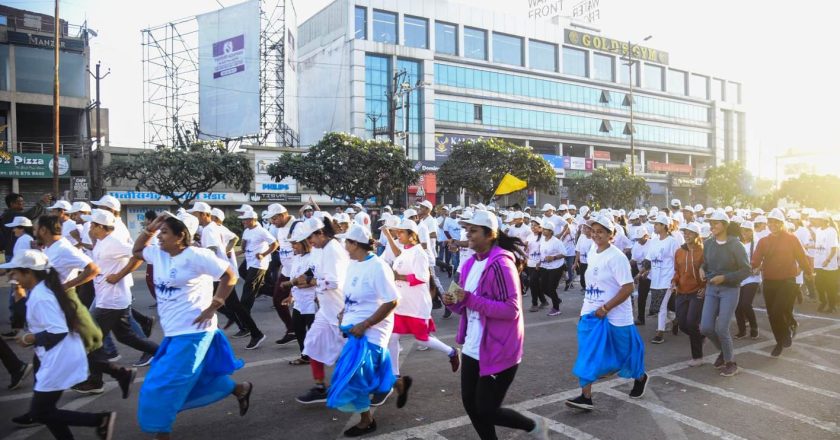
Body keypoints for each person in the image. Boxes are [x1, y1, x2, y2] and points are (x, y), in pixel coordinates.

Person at [133, 212, 252, 439]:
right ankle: (239, 389)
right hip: (173, 332)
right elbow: (136, 251)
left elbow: (229, 275)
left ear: (180, 236)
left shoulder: (197, 255)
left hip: (194, 332)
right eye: (159, 232)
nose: (159, 236)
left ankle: (162, 433)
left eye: (164, 232)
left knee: (163, 386)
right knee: (192, 380)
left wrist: (215, 304)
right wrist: (149, 230)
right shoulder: (159, 253)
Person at [443, 210, 548, 440]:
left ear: (490, 234)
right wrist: (451, 302)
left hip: (499, 347)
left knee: (487, 409)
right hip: (473, 345)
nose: (468, 234)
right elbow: (464, 304)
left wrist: (468, 298)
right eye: (467, 229)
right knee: (471, 405)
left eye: (473, 230)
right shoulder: (470, 263)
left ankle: (533, 426)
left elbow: (511, 309)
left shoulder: (502, 265)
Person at [3, 250, 117, 439]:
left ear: (28, 273)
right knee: (47, 411)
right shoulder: (41, 289)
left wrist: (30, 338)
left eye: (14, 272)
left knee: (40, 412)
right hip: (56, 356)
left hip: (59, 358)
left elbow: (57, 331)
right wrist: (19, 296)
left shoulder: (42, 295)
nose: (11, 277)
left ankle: (99, 420)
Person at [327, 225, 408, 437]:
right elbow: (353, 293)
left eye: (347, 242)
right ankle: (397, 382)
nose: (344, 246)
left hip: (372, 328)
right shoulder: (354, 264)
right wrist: (344, 311)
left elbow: (393, 300)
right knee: (369, 371)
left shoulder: (378, 267)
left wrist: (366, 324)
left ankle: (367, 421)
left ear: (355, 244)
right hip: (354, 327)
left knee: (355, 376)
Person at [566, 216, 648, 411]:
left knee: (625, 352)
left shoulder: (617, 257)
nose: (596, 235)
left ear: (611, 235)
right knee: (587, 351)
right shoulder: (592, 250)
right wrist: (585, 312)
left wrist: (606, 308)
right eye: (593, 231)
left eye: (601, 231)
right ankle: (586, 397)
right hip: (591, 312)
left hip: (617, 315)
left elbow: (627, 288)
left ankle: (640, 376)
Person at [72, 209, 159, 392]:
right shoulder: (102, 241)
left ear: (100, 226)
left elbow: (138, 254)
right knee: (126, 336)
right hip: (107, 299)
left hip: (112, 301)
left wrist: (119, 275)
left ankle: (95, 381)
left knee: (92, 339)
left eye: (92, 225)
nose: (89, 227)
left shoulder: (114, 242)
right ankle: (164, 353)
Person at [382, 219, 460, 394]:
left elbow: (422, 277)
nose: (398, 235)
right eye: (397, 232)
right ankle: (395, 375)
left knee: (421, 339)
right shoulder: (404, 251)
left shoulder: (419, 253)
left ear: (412, 236)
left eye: (401, 232)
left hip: (416, 304)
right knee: (393, 338)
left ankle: (452, 352)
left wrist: (399, 277)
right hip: (402, 303)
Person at [189, 202, 266, 350]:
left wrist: (199, 255)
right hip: (219, 273)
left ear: (204, 214)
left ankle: (253, 333)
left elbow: (211, 250)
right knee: (229, 305)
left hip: (220, 274)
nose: (194, 217)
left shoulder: (209, 230)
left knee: (222, 305)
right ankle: (250, 332)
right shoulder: (210, 228)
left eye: (195, 214)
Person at [296, 217, 350, 404]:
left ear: (320, 233)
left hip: (340, 310)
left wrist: (311, 282)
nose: (308, 242)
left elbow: (335, 282)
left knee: (350, 353)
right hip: (325, 310)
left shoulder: (334, 250)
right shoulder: (320, 249)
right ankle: (320, 387)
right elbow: (314, 270)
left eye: (310, 237)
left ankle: (383, 381)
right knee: (311, 344)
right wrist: (306, 277)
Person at [750, 210, 813, 356]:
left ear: (782, 224)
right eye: (770, 222)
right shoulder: (763, 241)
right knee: (772, 315)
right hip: (769, 281)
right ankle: (779, 341)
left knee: (778, 311)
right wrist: (753, 266)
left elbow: (801, 257)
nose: (773, 225)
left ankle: (786, 333)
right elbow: (756, 259)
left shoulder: (791, 239)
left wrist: (809, 272)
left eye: (776, 222)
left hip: (787, 281)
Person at [699, 211, 751, 377]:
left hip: (730, 289)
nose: (712, 226)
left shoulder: (736, 245)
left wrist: (725, 278)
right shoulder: (708, 243)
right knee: (706, 327)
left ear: (725, 225)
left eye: (716, 223)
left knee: (722, 328)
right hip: (712, 289)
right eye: (711, 223)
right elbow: (705, 263)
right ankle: (724, 351)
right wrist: (701, 268)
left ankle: (731, 362)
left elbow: (746, 270)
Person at [279, 221, 318, 365]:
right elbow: (294, 280)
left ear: (304, 243)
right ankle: (305, 355)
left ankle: (319, 356)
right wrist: (290, 296)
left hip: (311, 301)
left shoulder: (313, 258)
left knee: (313, 332)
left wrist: (301, 283)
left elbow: (313, 279)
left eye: (295, 243)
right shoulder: (296, 258)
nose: (293, 247)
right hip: (299, 302)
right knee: (299, 329)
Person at [672, 223, 706, 366]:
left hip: (696, 292)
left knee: (692, 322)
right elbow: (677, 271)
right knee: (682, 324)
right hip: (681, 292)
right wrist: (674, 281)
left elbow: (708, 271)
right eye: (685, 233)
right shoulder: (679, 252)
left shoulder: (703, 251)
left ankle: (697, 357)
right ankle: (701, 336)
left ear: (697, 236)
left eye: (689, 233)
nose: (686, 235)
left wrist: (705, 286)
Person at [266, 204, 298, 345]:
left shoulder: (297, 226)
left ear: (282, 215)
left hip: (299, 273)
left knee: (307, 306)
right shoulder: (279, 228)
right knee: (278, 299)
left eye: (274, 219)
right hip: (286, 271)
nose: (272, 222)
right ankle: (292, 330)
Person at [645, 214, 679, 344]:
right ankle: (675, 319)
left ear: (664, 226)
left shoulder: (672, 241)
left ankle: (660, 332)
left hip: (667, 277)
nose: (654, 226)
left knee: (662, 305)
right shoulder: (653, 241)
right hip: (655, 278)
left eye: (657, 224)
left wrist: (675, 278)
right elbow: (648, 259)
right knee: (657, 305)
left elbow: (677, 261)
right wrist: (643, 271)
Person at [237, 210, 279, 313]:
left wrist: (263, 254)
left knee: (249, 287)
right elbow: (244, 245)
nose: (243, 222)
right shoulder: (247, 230)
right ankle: (279, 295)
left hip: (259, 264)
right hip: (249, 261)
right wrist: (239, 251)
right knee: (257, 285)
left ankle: (244, 311)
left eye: (246, 220)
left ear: (253, 220)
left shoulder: (261, 231)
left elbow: (275, 244)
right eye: (243, 220)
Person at [2, 216, 35, 338]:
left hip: (21, 275)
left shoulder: (23, 240)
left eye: (16, 227)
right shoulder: (26, 239)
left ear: (22, 228)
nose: (13, 230)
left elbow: (20, 262)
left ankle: (19, 330)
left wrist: (15, 278)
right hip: (22, 275)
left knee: (18, 303)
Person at [1, 193, 50, 261]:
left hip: (14, 251)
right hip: (13, 253)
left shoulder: (10, 215)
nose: (22, 203)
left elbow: (30, 216)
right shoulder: (9, 215)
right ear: (12, 204)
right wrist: (41, 203)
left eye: (22, 201)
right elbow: (28, 215)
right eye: (20, 201)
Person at [735, 221, 761, 340]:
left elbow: (764, 258)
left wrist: (758, 268)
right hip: (740, 277)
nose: (744, 232)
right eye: (743, 230)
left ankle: (754, 327)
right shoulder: (738, 243)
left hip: (752, 278)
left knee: (745, 303)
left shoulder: (756, 244)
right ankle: (742, 330)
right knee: (737, 305)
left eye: (747, 230)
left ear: (752, 232)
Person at [812, 212, 838, 313]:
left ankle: (832, 306)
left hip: (829, 265)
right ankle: (823, 301)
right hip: (818, 263)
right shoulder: (818, 230)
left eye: (818, 219)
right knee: (818, 284)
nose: (816, 220)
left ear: (824, 221)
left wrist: (827, 260)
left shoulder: (832, 231)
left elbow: (834, 248)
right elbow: (818, 245)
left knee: (830, 286)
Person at [538, 220, 565, 316]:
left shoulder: (556, 242)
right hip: (545, 266)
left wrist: (553, 257)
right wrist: (539, 262)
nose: (544, 231)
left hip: (556, 267)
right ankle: (557, 299)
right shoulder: (542, 240)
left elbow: (564, 254)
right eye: (543, 229)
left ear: (551, 231)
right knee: (543, 287)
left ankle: (556, 308)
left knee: (551, 288)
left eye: (546, 230)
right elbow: (543, 253)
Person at [630, 228, 651, 325]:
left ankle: (672, 317)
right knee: (641, 297)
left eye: (640, 238)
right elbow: (633, 260)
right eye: (637, 238)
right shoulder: (636, 246)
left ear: (646, 236)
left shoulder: (652, 244)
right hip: (642, 275)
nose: (639, 240)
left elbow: (649, 263)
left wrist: (640, 274)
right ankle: (641, 318)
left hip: (653, 274)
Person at [525, 219, 546, 312]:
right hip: (530, 263)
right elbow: (527, 250)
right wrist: (525, 248)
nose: (532, 227)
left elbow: (544, 251)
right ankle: (544, 301)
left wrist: (540, 262)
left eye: (535, 225)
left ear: (540, 227)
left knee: (532, 283)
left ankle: (534, 304)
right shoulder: (529, 236)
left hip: (539, 264)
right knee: (535, 284)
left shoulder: (543, 238)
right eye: (531, 225)